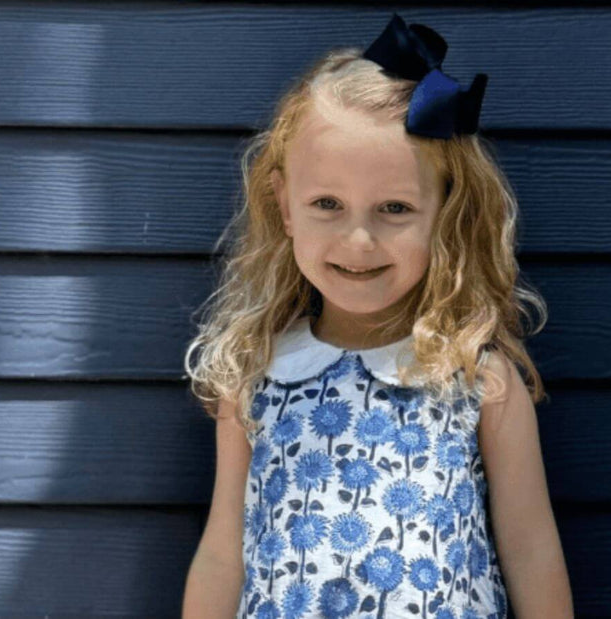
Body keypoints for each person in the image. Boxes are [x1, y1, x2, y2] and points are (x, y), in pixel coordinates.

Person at [182, 13, 573, 618]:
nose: (358, 240)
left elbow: (531, 549)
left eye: (393, 207)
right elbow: (221, 555)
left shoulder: (478, 381)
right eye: (327, 204)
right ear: (284, 206)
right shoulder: (256, 379)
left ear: (444, 212)